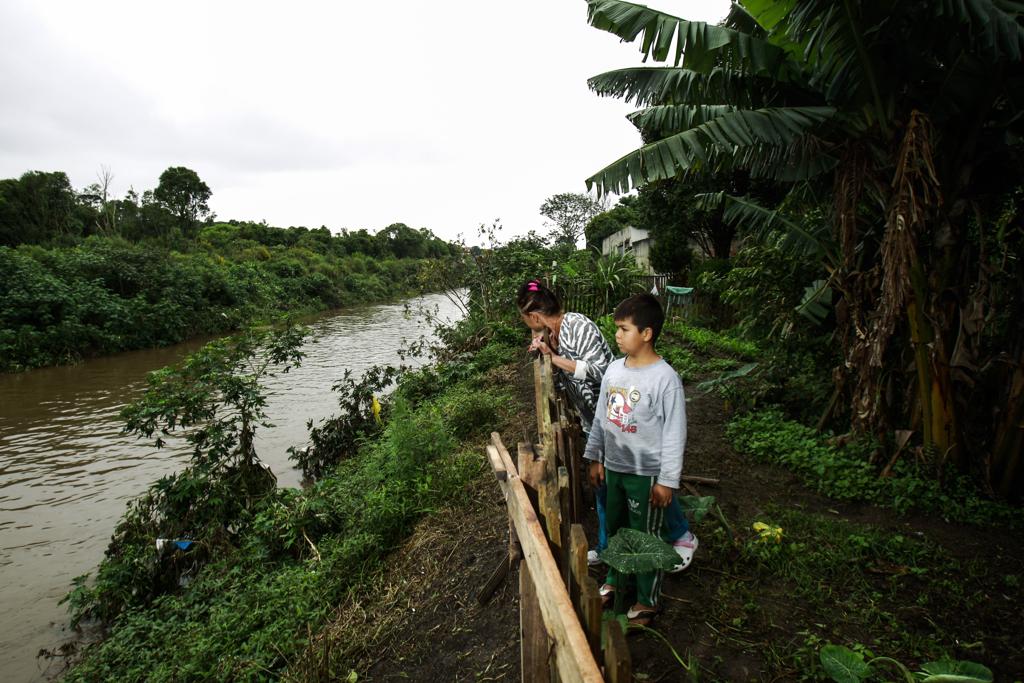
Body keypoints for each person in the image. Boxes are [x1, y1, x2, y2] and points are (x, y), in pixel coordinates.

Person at [583, 293, 695, 626]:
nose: (616, 335)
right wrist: (595, 457)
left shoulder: (665, 379)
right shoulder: (614, 371)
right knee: (616, 529)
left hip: (645, 475)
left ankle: (648, 600)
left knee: (645, 536)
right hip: (614, 468)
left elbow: (675, 434)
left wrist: (667, 481)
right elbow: (602, 418)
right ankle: (616, 581)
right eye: (616, 328)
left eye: (624, 328)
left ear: (646, 333)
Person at [517, 280, 614, 561]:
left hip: (614, 420)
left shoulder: (577, 326)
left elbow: (604, 372)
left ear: (534, 317)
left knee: (627, 484)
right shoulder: (555, 335)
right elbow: (563, 386)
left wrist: (555, 359)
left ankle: (677, 534)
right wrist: (545, 357)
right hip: (592, 422)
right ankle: (608, 548)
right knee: (602, 487)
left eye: (525, 320)